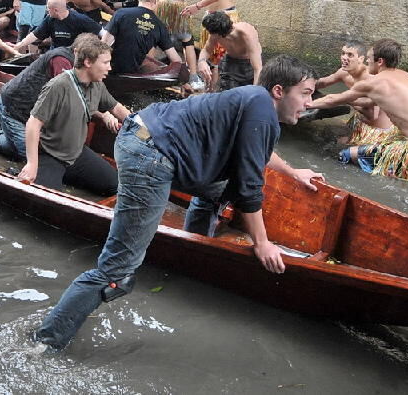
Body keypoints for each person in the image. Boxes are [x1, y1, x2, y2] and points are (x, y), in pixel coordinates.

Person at [35, 55, 325, 352]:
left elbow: (257, 152)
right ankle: (45, 342)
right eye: (305, 93)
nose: (310, 103)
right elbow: (250, 188)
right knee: (117, 271)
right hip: (149, 153)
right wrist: (261, 243)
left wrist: (292, 172)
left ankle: (192, 249)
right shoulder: (261, 108)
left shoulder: (256, 104)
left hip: (145, 135)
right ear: (279, 91)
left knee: (221, 188)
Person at [308, 39, 408, 179]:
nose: (367, 61)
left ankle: (350, 182)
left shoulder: (374, 83)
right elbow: (374, 102)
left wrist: (307, 105)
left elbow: (333, 100)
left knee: (346, 154)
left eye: (369, 58)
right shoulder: (405, 75)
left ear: (380, 61)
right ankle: (402, 169)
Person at [18, 36, 125, 195]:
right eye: (105, 63)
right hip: (51, 155)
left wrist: (143, 127)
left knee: (114, 185)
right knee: (46, 198)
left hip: (77, 153)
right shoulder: (58, 85)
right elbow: (33, 124)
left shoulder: (97, 85)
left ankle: (66, 176)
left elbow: (117, 108)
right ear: (88, 62)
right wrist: (32, 164)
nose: (109, 68)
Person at [0, 35, 78, 160]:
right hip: (12, 108)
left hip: (29, 111)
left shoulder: (76, 66)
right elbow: (65, 94)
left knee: (26, 147)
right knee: (28, 151)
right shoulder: (61, 59)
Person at [314, 41, 395, 146]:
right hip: (359, 120)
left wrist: (345, 100)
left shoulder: (372, 79)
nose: (344, 57)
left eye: (350, 55)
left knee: (336, 145)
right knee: (325, 134)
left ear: (361, 59)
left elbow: (372, 115)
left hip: (377, 130)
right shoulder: (343, 72)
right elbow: (323, 82)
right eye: (343, 53)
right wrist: (302, 84)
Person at [102, 0, 182, 75]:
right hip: (135, 75)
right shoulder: (159, 25)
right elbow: (176, 60)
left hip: (112, 71)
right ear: (156, 1)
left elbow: (104, 44)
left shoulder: (121, 14)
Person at [197, 11, 262, 91]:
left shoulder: (246, 33)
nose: (210, 35)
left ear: (219, 33)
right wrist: (201, 61)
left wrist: (255, 92)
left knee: (248, 92)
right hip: (230, 63)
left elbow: (257, 68)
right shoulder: (215, 34)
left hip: (249, 64)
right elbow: (206, 50)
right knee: (228, 93)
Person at [14, 0, 103, 52]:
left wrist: (101, 50)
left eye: (48, 9)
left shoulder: (80, 19)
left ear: (55, 10)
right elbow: (35, 35)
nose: (47, 11)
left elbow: (102, 32)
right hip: (55, 53)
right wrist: (20, 44)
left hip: (73, 53)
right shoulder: (50, 19)